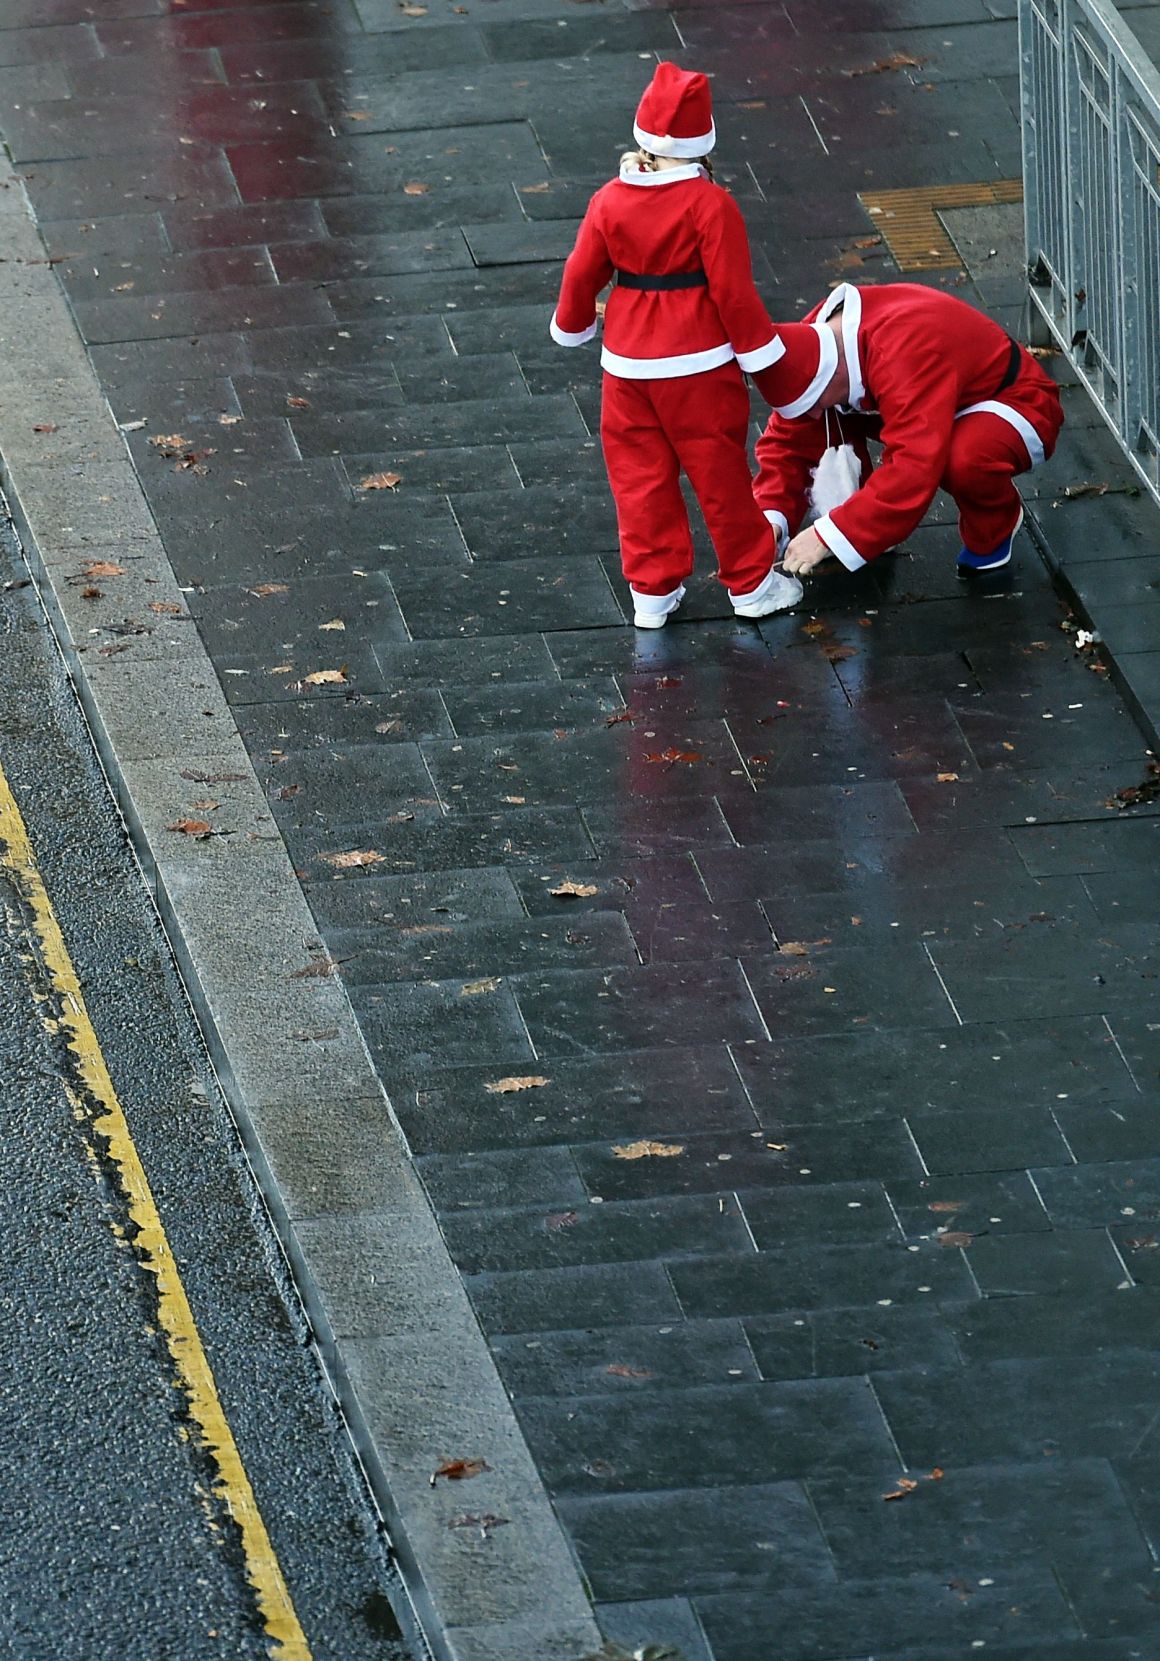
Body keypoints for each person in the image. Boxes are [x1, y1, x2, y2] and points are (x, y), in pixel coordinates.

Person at [549, 61, 803, 628]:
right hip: (698, 365)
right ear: (700, 144)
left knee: (638, 479)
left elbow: (580, 272)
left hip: (626, 366)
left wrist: (572, 324)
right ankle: (751, 583)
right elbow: (734, 294)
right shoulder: (711, 206)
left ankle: (652, 594)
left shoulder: (609, 199)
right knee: (721, 478)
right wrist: (763, 358)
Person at [748, 281, 1065, 580]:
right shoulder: (814, 340)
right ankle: (862, 520)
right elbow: (787, 442)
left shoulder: (900, 354)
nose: (813, 413)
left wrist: (831, 533)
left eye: (814, 403)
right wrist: (770, 521)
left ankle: (996, 524)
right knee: (821, 421)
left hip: (1016, 401)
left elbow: (913, 466)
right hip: (938, 395)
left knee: (961, 459)